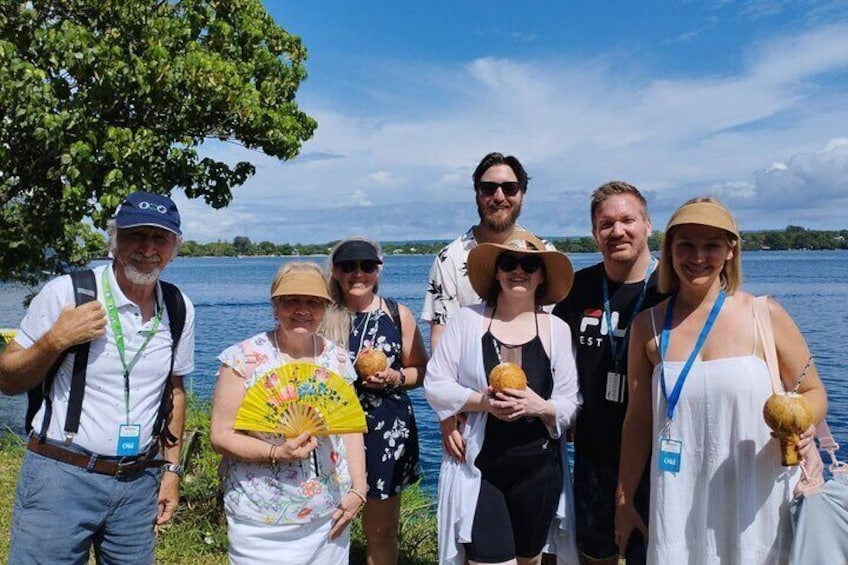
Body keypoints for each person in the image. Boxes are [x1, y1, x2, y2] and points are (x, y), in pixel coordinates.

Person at [615, 197, 828, 564]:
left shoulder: (766, 315)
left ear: (731, 250)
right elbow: (637, 422)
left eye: (711, 245)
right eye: (686, 245)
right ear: (668, 250)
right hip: (678, 499)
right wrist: (624, 499)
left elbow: (813, 391)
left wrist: (803, 419)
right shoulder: (646, 327)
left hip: (757, 497)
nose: (697, 256)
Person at [0, 191, 195, 564]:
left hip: (138, 482)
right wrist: (55, 340)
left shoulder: (178, 306)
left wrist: (171, 471)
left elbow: (175, 391)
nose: (148, 248)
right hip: (61, 475)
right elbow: (7, 379)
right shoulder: (67, 293)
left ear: (174, 247)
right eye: (136, 235)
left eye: (160, 238)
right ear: (114, 240)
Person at [425, 231, 581, 565]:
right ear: (496, 272)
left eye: (530, 264)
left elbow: (571, 402)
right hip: (481, 465)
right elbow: (435, 384)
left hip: (539, 468)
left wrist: (541, 406)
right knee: (489, 559)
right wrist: (481, 402)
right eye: (509, 262)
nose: (518, 270)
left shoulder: (556, 329)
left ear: (541, 276)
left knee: (530, 559)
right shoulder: (468, 320)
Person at [210, 262, 367, 565]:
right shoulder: (243, 359)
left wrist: (358, 489)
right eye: (291, 300)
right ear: (275, 305)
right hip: (260, 516)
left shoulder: (337, 359)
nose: (302, 310)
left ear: (324, 308)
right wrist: (276, 451)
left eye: (312, 302)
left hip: (329, 511)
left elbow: (349, 428)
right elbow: (220, 436)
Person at [553, 181, 664, 564]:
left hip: (660, 457)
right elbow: (552, 360)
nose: (617, 231)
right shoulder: (577, 288)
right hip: (594, 453)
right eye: (606, 224)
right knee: (595, 554)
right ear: (594, 234)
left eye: (627, 220)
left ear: (648, 225)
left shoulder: (672, 288)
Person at [421, 151, 555, 461]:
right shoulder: (450, 259)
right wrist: (446, 416)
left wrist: (553, 411)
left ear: (522, 193)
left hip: (534, 416)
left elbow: (555, 336)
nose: (499, 197)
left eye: (510, 188)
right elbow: (440, 342)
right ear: (477, 194)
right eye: (488, 188)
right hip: (472, 415)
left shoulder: (544, 254)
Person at [322, 237, 429, 565]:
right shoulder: (321, 315)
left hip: (386, 433)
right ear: (335, 272)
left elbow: (420, 370)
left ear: (378, 270)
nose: (358, 273)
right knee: (327, 522)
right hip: (331, 431)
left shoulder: (398, 314)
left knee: (382, 531)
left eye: (367, 265)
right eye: (348, 266)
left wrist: (396, 377)